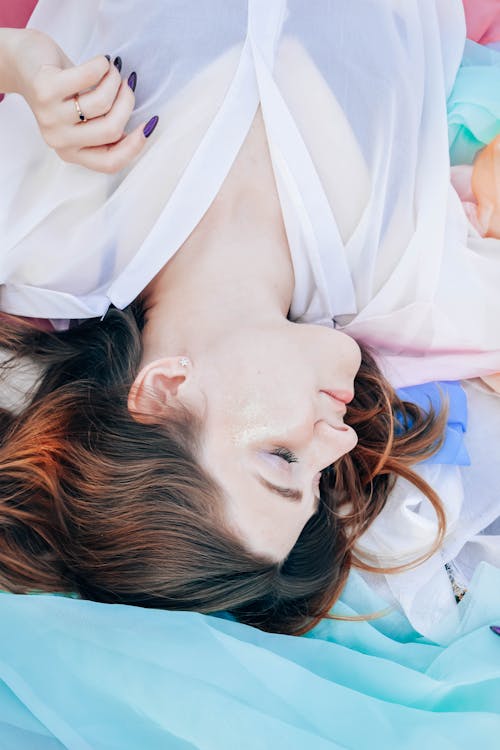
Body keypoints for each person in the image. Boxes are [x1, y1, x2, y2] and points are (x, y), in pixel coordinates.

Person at [0, 0, 498, 638]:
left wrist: (21, 63)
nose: (340, 441)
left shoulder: (46, 248)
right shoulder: (409, 290)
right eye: (318, 479)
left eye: (283, 458)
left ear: (165, 388)